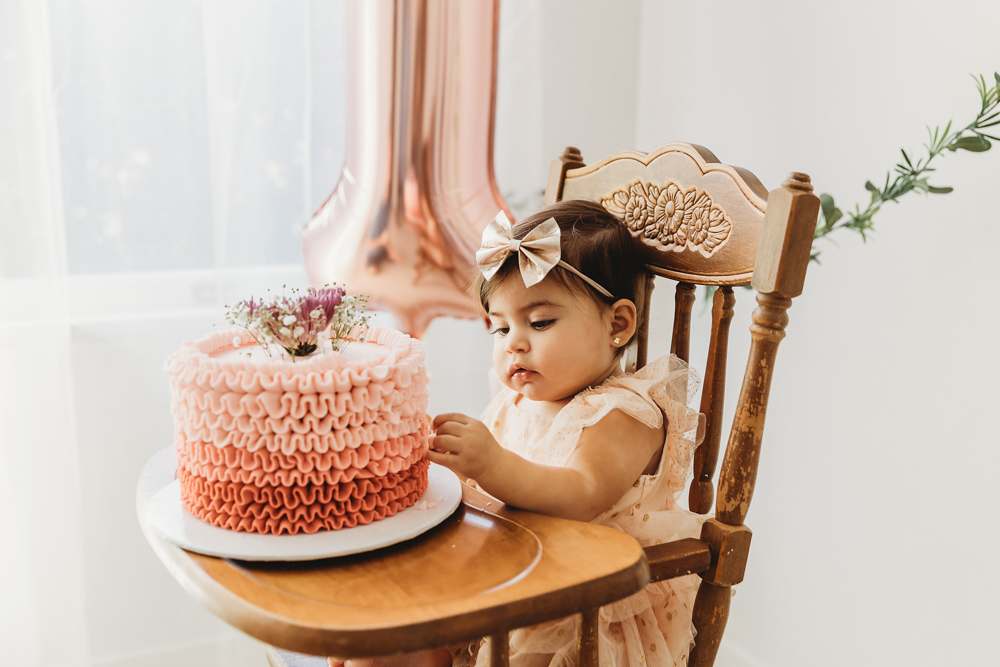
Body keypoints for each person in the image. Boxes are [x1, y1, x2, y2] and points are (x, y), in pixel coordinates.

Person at [334, 200, 704, 667]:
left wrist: (491, 464)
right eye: (501, 327)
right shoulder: (518, 399)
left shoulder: (623, 412)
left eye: (541, 322)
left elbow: (583, 493)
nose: (514, 343)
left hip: (577, 599)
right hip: (506, 570)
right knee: (386, 625)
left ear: (618, 324)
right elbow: (480, 486)